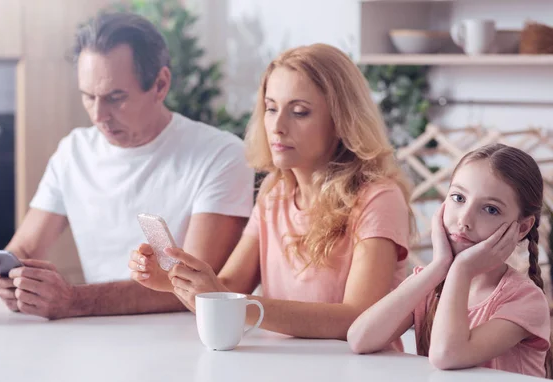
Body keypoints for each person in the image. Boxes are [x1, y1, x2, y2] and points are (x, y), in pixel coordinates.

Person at [128, 43, 413, 342]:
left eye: (299, 112)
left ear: (341, 121)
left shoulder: (379, 198)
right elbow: (227, 287)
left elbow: (358, 319)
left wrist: (224, 298)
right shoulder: (274, 192)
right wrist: (175, 281)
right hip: (280, 374)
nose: (277, 126)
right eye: (271, 108)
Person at [0, 12, 254, 319]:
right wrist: (12, 277)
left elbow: (196, 287)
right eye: (88, 96)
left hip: (183, 340)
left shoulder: (220, 155)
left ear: (161, 84)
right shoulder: (74, 151)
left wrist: (74, 300)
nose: (99, 115)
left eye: (115, 97)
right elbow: (26, 249)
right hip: (98, 337)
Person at [348, 144, 553, 379]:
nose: (464, 219)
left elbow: (447, 355)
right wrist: (438, 267)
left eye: (490, 209)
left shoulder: (525, 301)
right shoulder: (430, 282)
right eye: (458, 198)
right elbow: (360, 339)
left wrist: (462, 270)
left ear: (522, 228)